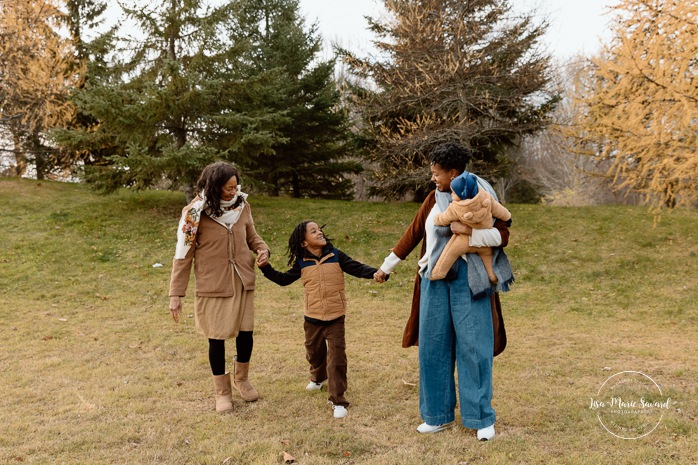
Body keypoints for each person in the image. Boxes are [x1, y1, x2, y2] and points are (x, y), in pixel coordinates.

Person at [373, 143, 511, 440]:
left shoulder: (483, 194)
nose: (432, 177)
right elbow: (413, 234)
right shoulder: (433, 199)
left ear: (453, 172)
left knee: (474, 348)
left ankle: (480, 418)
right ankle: (437, 415)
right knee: (433, 347)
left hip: (470, 279)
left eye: (436, 173)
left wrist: (469, 233)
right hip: (433, 279)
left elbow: (503, 234)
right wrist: (386, 267)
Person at [169, 161, 270, 413]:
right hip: (213, 284)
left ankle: (242, 380)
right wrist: (175, 293)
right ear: (213, 186)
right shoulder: (194, 213)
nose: (233, 192)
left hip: (242, 280)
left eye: (236, 187)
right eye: (228, 188)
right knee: (216, 337)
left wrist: (262, 248)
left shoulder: (242, 207)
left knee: (246, 333)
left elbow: (251, 236)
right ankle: (222, 392)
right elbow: (183, 254)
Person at [256, 221, 384, 419]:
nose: (320, 232)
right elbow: (283, 280)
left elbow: (357, 268)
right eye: (313, 231)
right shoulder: (301, 262)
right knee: (314, 352)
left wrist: (375, 272)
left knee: (337, 358)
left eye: (320, 229)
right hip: (312, 317)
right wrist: (265, 267)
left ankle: (337, 400)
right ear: (304, 242)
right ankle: (318, 378)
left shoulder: (336, 256)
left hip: (335, 316)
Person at [429, 171, 511, 282]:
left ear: (462, 194)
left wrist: (436, 219)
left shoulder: (456, 207)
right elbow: (499, 210)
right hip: (484, 243)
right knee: (487, 256)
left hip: (464, 241)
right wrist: (508, 217)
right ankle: (492, 276)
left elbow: (444, 218)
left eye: (453, 193)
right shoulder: (486, 197)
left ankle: (439, 272)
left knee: (450, 252)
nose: (451, 195)